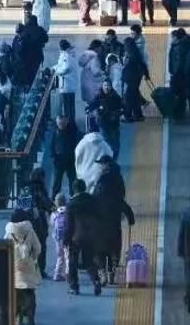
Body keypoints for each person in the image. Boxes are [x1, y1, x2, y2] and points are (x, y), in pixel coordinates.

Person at [92, 154, 135, 284]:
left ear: (105, 164)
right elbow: (121, 199)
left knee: (99, 249)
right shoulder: (119, 178)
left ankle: (102, 273)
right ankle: (111, 273)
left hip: (100, 221)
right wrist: (130, 217)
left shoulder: (102, 179)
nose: (100, 166)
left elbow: (95, 198)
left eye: (101, 164)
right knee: (113, 248)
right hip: (114, 221)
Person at [64, 179, 103, 296]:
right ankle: (96, 281)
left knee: (72, 262)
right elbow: (100, 216)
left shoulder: (71, 203)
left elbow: (69, 224)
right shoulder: (92, 200)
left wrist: (66, 239)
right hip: (91, 235)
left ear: (74, 189)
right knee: (89, 261)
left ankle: (74, 287)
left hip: (76, 237)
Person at [6, 209, 43, 324]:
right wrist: (32, 258)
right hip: (28, 269)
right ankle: (29, 318)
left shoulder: (9, 233)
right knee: (29, 295)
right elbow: (38, 248)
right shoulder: (30, 231)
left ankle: (16, 319)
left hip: (14, 270)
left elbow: (4, 249)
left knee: (14, 299)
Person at [18, 166, 54, 278]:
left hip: (25, 222)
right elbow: (47, 203)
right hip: (39, 222)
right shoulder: (40, 189)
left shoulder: (25, 189)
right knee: (41, 246)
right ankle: (40, 270)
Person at [74, 125, 114, 193]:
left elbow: (77, 155)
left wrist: (78, 170)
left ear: (88, 132)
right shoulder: (104, 144)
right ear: (99, 131)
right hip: (98, 172)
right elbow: (110, 155)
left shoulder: (82, 143)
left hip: (84, 172)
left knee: (85, 193)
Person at [121, 39, 151, 122]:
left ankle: (128, 116)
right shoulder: (132, 53)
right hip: (132, 78)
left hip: (132, 79)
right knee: (135, 97)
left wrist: (146, 75)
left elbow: (142, 65)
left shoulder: (133, 55)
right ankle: (138, 115)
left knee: (129, 97)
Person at [51, 114, 81, 196]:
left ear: (67, 121)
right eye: (60, 123)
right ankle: (54, 199)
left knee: (72, 180)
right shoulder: (54, 132)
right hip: (58, 160)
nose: (61, 125)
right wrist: (53, 157)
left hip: (70, 160)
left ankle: (73, 196)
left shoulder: (73, 131)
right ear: (57, 122)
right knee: (57, 182)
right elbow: (51, 145)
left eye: (63, 123)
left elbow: (77, 144)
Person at [53, 40, 78, 119]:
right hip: (66, 85)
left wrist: (55, 71)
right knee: (68, 107)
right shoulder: (65, 54)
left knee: (68, 108)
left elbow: (65, 69)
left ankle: (69, 124)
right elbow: (60, 65)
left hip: (66, 86)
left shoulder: (67, 56)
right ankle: (69, 122)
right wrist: (53, 68)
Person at [51, 193, 69, 281]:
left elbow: (51, 224)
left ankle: (57, 274)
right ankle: (68, 274)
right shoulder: (67, 211)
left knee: (60, 256)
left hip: (57, 238)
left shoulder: (54, 213)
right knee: (67, 256)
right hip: (66, 237)